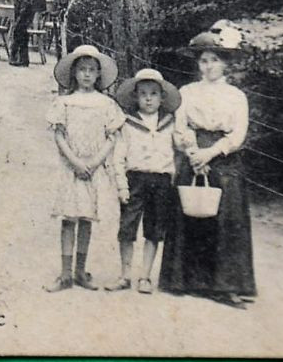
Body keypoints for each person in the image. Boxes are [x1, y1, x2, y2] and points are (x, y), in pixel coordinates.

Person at [159, 25, 256, 307]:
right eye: (203, 60)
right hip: (193, 154)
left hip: (224, 159)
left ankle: (227, 286)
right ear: (198, 64)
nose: (209, 65)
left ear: (225, 63)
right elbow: (180, 127)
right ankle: (188, 280)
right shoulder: (187, 92)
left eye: (215, 59)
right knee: (192, 213)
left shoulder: (236, 96)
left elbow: (238, 134)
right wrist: (192, 153)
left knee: (227, 218)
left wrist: (211, 153)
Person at [45, 44, 124, 292]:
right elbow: (59, 136)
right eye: (82, 70)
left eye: (92, 70)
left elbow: (112, 138)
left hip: (93, 168)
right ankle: (65, 273)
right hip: (71, 168)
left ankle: (81, 271)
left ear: (99, 74)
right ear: (74, 73)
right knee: (69, 218)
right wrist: (76, 162)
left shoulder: (106, 104)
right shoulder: (65, 102)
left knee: (86, 217)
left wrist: (93, 163)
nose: (87, 75)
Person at [106, 69, 181, 294]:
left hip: (161, 180)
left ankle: (145, 276)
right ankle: (125, 274)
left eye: (154, 93)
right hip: (135, 180)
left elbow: (178, 151)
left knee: (155, 230)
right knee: (127, 227)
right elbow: (118, 157)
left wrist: (174, 178)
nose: (148, 98)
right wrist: (121, 185)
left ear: (162, 97)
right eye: (143, 94)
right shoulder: (127, 124)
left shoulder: (170, 123)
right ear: (135, 97)